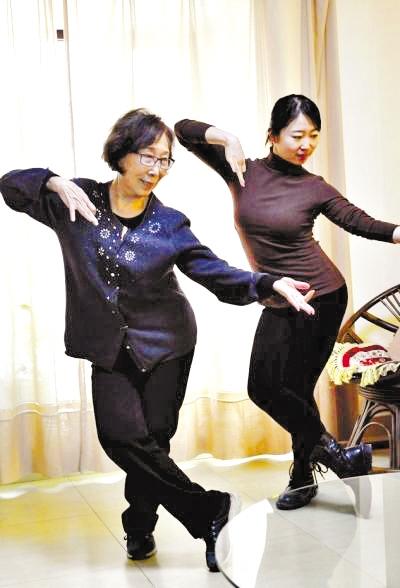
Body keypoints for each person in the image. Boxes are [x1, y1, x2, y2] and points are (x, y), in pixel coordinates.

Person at [0, 108, 315, 572]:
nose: (156, 169)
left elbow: (213, 271)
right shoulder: (77, 201)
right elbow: (10, 186)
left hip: (168, 344)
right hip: (109, 346)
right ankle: (209, 510)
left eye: (165, 160)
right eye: (148, 156)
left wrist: (268, 283)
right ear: (122, 154)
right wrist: (51, 181)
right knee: (121, 438)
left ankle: (139, 525)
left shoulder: (169, 223)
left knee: (154, 440)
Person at [175, 94, 400, 511]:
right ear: (273, 135)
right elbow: (183, 131)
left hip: (321, 297)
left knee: (291, 389)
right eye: (297, 135)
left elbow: (358, 221)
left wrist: (398, 231)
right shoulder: (241, 169)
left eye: (313, 136)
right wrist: (227, 138)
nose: (306, 145)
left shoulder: (314, 186)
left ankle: (303, 475)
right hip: (278, 294)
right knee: (267, 387)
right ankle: (335, 457)